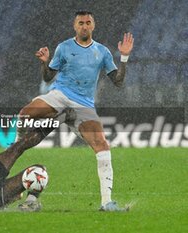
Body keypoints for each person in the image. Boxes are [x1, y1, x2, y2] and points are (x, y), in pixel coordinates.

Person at [17, 11, 134, 211]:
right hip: (60, 96)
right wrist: (44, 62)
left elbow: (118, 81)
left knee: (102, 145)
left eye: (88, 23)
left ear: (93, 26)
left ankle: (107, 203)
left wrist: (124, 56)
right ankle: (17, 146)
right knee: (24, 114)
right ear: (75, 26)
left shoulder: (102, 52)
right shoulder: (64, 48)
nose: (84, 26)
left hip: (84, 105)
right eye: (81, 23)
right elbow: (47, 78)